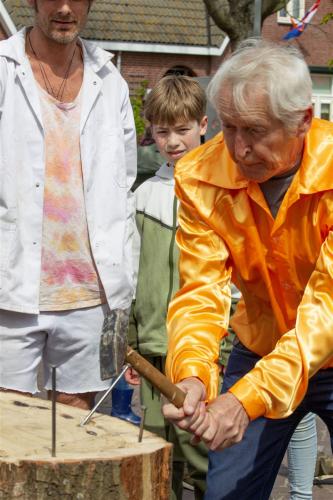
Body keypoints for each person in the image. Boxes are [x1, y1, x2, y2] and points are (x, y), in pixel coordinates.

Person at [162, 39, 333, 499]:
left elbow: (325, 312)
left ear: (303, 120)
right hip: (260, 347)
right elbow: (200, 292)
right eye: (229, 127)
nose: (238, 148)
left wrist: (244, 401)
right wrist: (193, 374)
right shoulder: (201, 176)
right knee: (227, 491)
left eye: (255, 130)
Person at [0, 0, 136, 410]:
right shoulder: (5, 71)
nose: (64, 8)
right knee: (11, 433)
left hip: (90, 294)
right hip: (11, 289)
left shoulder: (110, 80)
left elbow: (123, 188)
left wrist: (124, 284)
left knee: (78, 431)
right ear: (31, 2)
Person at [126, 75, 237, 499]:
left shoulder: (223, 193)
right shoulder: (142, 196)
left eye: (182, 129)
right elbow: (134, 275)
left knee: (205, 458)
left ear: (204, 124)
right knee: (157, 457)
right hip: (154, 350)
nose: (172, 141)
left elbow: (230, 279)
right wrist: (133, 343)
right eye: (162, 131)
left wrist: (226, 346)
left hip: (207, 355)